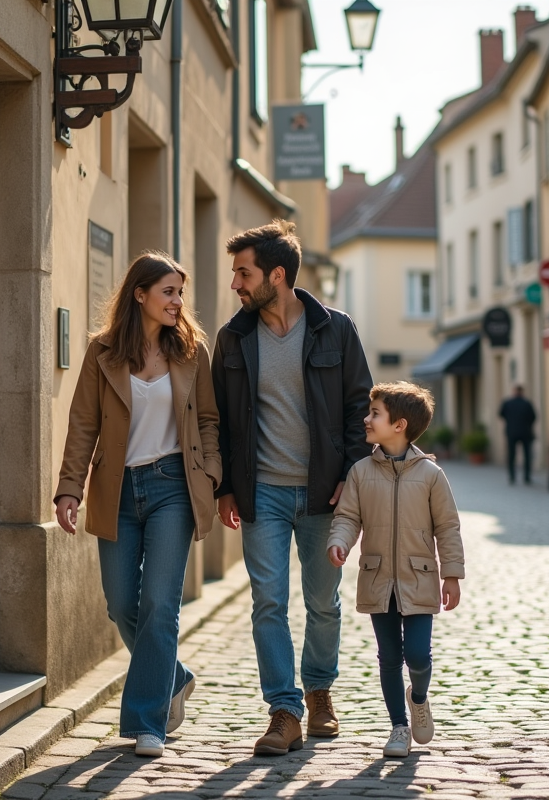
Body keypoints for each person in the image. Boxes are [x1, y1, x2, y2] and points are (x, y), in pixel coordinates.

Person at [212, 220, 373, 755]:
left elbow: (359, 408)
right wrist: (225, 488)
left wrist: (352, 474)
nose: (235, 283)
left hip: (325, 492)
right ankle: (284, 710)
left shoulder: (336, 329)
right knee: (268, 602)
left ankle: (320, 692)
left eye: (243, 272)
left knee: (323, 602)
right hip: (264, 493)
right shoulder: (233, 337)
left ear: (275, 275)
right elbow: (220, 420)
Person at [54, 252, 223, 758]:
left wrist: (210, 473)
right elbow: (83, 424)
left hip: (174, 484)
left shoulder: (192, 352)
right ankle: (173, 676)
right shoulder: (102, 352)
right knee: (122, 602)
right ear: (140, 294)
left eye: (180, 293)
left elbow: (210, 420)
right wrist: (69, 487)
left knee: (159, 604)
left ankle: (148, 723)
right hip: (118, 490)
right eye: (168, 292)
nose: (177, 302)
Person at [326, 381, 465, 758]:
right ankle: (398, 727)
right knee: (389, 657)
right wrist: (339, 541)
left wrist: (450, 574)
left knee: (418, 655)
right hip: (378, 578)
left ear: (399, 425)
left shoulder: (431, 475)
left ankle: (418, 697)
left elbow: (448, 527)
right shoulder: (359, 472)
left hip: (419, 578)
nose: (366, 419)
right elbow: (348, 516)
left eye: (375, 414)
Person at [498, 384, 537, 484]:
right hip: (525, 432)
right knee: (527, 455)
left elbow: (501, 414)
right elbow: (533, 417)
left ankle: (512, 476)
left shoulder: (508, 403)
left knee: (512, 455)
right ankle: (527, 476)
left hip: (512, 432)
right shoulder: (527, 403)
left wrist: (510, 421)